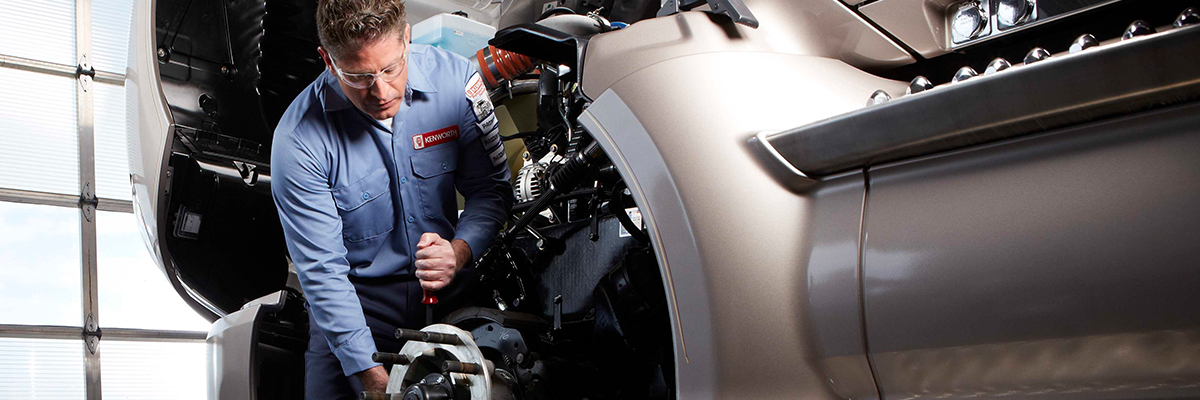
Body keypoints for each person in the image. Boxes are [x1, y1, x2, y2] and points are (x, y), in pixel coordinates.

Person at [269, 0, 512, 397]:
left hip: (452, 294)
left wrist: (459, 251)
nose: (381, 91)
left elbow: (492, 189)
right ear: (328, 62)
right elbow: (323, 272)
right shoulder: (299, 140)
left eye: (391, 68)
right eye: (359, 76)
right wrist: (373, 379)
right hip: (357, 308)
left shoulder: (457, 82)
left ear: (407, 38)